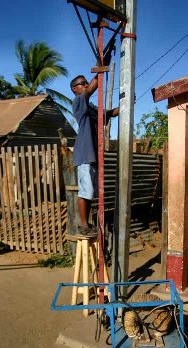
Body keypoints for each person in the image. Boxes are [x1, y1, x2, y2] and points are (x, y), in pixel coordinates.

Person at [70, 74, 119, 238]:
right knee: (85, 191)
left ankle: (87, 224)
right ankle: (83, 225)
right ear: (74, 89)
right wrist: (100, 68)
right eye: (82, 84)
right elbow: (92, 89)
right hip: (85, 153)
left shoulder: (91, 108)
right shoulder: (78, 102)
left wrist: (125, 105)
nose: (85, 85)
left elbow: (111, 113)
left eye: (85, 83)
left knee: (90, 192)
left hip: (94, 155)